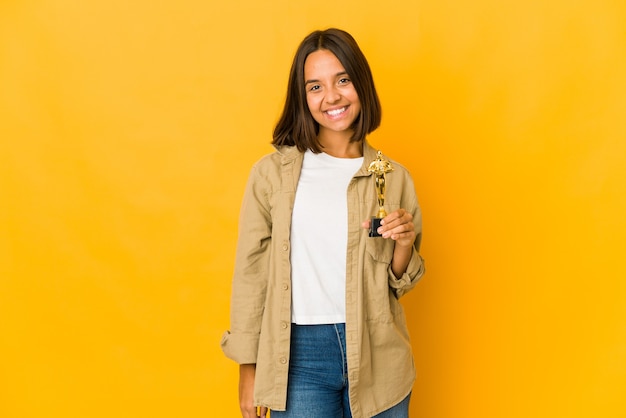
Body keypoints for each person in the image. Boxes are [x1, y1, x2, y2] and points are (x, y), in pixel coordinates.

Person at [221, 28, 425, 418]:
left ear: (361, 84)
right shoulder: (271, 175)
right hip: (298, 357)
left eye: (343, 80)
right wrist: (248, 370)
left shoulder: (392, 175)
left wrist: (403, 245)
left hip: (379, 352)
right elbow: (251, 274)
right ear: (303, 98)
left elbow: (397, 283)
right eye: (315, 86)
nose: (331, 96)